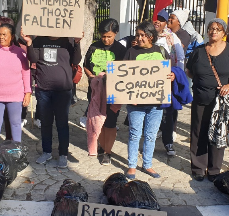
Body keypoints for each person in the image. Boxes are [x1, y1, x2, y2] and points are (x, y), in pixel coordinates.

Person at [186, 18, 229, 182]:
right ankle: (198, 168)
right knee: (198, 132)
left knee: (218, 133)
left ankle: (214, 170)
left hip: (220, 101)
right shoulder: (199, 51)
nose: (213, 31)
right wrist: (200, 81)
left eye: (218, 29)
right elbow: (189, 70)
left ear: (224, 33)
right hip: (201, 98)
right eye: (211, 28)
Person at [21, 28, 82, 168]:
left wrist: (77, 43)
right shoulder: (39, 40)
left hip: (63, 90)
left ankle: (63, 154)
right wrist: (29, 43)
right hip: (44, 89)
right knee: (46, 123)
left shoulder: (68, 40)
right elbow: (33, 59)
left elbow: (76, 60)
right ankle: (46, 151)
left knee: (62, 123)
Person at [123, 21, 174, 179]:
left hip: (156, 104)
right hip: (135, 103)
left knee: (151, 135)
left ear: (151, 36)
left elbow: (169, 70)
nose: (139, 38)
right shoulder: (131, 52)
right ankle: (132, 166)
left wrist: (172, 76)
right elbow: (123, 76)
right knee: (134, 134)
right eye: (137, 35)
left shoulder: (161, 51)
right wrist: (129, 96)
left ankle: (147, 164)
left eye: (142, 35)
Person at [83, 18, 127, 165]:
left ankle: (108, 151)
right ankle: (101, 147)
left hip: (113, 92)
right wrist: (91, 77)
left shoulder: (121, 50)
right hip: (95, 91)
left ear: (116, 33)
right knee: (97, 120)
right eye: (103, 36)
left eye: (109, 36)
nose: (106, 39)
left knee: (110, 122)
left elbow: (125, 70)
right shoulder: (94, 47)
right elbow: (86, 66)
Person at [154, 10, 184, 154]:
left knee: (168, 112)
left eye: (161, 20)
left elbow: (180, 58)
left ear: (166, 23)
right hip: (150, 82)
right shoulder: (147, 35)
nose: (157, 22)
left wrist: (177, 75)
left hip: (167, 80)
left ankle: (168, 142)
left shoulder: (172, 38)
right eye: (156, 18)